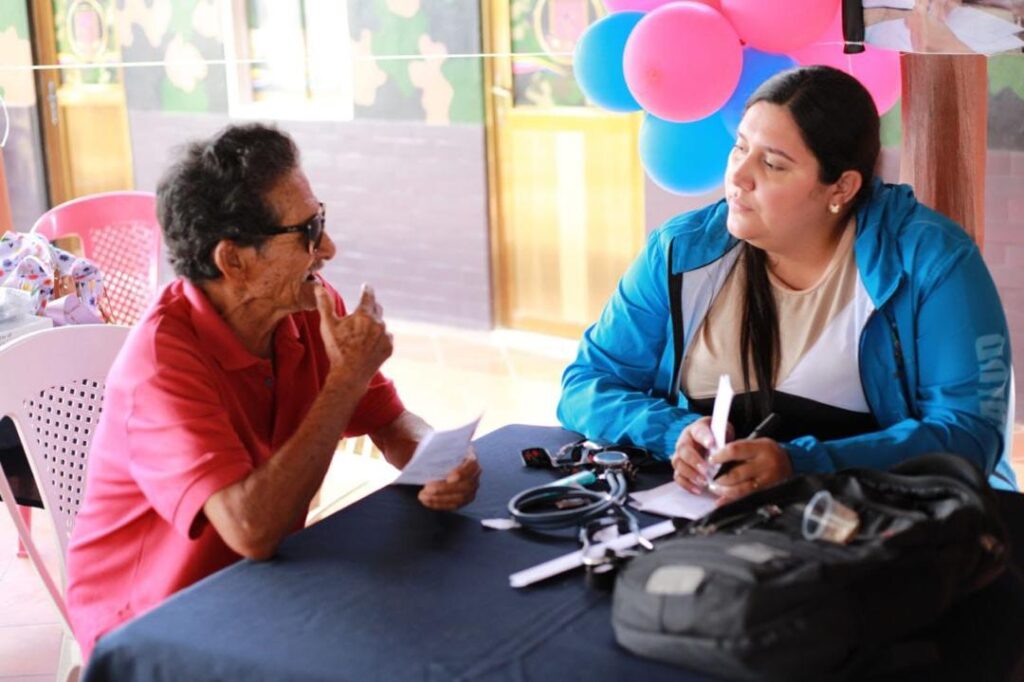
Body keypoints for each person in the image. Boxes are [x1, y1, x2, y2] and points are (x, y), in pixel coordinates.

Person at [65, 123, 481, 659]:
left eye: (321, 219)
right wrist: (345, 379)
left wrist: (436, 458)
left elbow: (387, 419)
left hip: (260, 586)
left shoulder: (303, 305)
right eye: (308, 232)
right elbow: (252, 529)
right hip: (154, 628)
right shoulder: (161, 365)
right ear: (234, 261)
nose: (328, 248)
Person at [558, 65, 1017, 507]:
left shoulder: (930, 261)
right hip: (712, 519)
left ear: (841, 188)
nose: (738, 177)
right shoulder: (681, 252)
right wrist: (672, 431)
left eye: (773, 164)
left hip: (878, 525)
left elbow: (969, 434)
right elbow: (586, 384)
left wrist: (802, 464)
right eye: (740, 148)